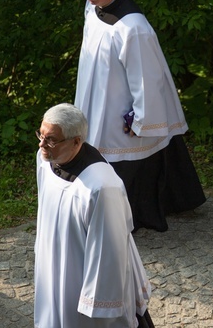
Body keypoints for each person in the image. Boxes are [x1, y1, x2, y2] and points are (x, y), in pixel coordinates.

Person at [75, 0, 205, 232]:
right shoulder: (92, 9)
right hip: (94, 100)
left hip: (119, 110)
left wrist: (142, 120)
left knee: (128, 160)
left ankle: (126, 216)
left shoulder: (132, 27)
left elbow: (147, 78)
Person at [34, 103, 154, 327]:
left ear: (76, 141)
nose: (42, 144)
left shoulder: (101, 187)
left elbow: (108, 251)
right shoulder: (45, 160)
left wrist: (96, 304)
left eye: (50, 139)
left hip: (83, 275)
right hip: (54, 261)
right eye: (40, 135)